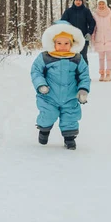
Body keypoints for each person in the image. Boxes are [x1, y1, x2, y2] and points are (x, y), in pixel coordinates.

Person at [30, 20, 91, 150]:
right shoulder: (45, 57)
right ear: (53, 43)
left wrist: (83, 90)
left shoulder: (77, 58)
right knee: (48, 115)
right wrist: (41, 85)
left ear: (72, 43)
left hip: (70, 96)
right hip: (48, 96)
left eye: (66, 43)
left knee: (70, 117)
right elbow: (36, 71)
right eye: (59, 43)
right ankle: (44, 131)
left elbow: (84, 75)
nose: (62, 46)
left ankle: (69, 139)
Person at [61, 0, 96, 65]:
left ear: (82, 1)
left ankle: (84, 74)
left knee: (83, 57)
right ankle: (73, 74)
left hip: (83, 38)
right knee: (71, 57)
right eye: (76, 0)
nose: (78, 2)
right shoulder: (68, 11)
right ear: (74, 1)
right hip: (71, 38)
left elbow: (92, 22)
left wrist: (89, 33)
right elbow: (63, 23)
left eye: (80, 0)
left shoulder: (86, 11)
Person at [91, 0, 111, 82]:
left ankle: (108, 74)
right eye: (100, 4)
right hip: (99, 39)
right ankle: (102, 74)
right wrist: (93, 39)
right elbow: (94, 28)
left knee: (109, 58)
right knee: (101, 58)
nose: (101, 5)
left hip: (109, 38)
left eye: (103, 4)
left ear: (105, 4)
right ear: (97, 5)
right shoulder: (95, 14)